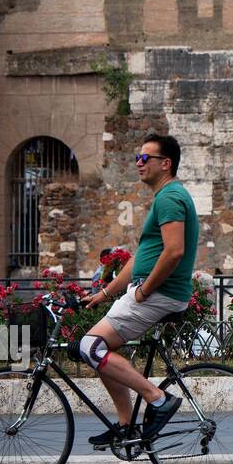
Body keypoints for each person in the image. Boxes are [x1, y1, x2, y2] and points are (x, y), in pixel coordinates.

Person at [76, 133, 198, 446]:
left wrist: (143, 293)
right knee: (100, 351)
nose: (139, 163)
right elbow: (138, 258)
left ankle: (158, 399)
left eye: (146, 158)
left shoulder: (170, 198)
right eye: (137, 158)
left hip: (158, 294)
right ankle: (126, 426)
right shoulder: (165, 197)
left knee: (90, 347)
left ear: (166, 164)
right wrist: (105, 293)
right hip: (152, 292)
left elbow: (174, 252)